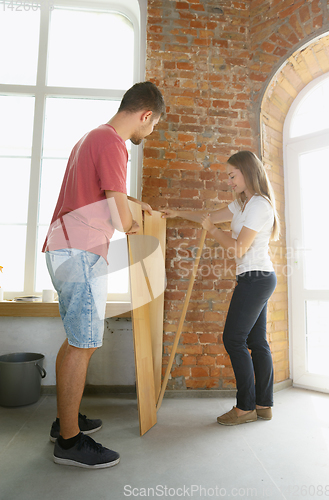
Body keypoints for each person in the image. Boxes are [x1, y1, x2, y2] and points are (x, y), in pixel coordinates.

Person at [42, 81, 165, 468]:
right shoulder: (113, 143)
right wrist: (132, 218)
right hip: (81, 251)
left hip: (64, 247)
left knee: (78, 339)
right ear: (145, 115)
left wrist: (129, 201)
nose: (150, 132)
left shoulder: (90, 138)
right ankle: (70, 442)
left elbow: (97, 194)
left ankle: (66, 419)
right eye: (154, 125)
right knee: (85, 343)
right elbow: (118, 216)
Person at [162, 151, 279, 425]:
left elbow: (239, 248)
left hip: (257, 277)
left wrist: (213, 232)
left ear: (247, 172)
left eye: (232, 175)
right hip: (255, 277)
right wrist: (177, 212)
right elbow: (209, 217)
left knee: (234, 339)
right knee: (256, 342)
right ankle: (263, 405)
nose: (229, 181)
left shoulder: (259, 205)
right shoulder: (242, 204)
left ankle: (245, 407)